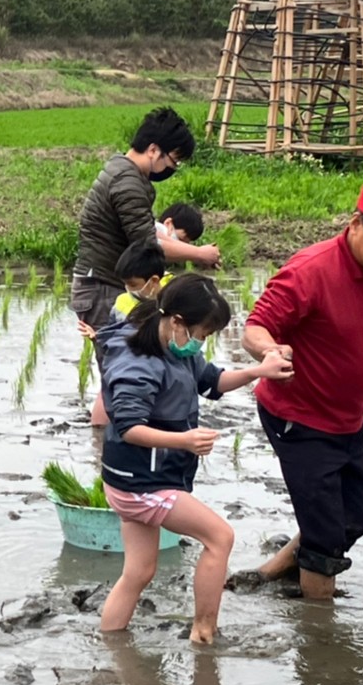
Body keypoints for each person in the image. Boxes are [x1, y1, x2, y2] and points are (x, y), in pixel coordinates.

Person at [239, 173, 363, 601]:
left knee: (356, 516)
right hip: (297, 414)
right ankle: (322, 638)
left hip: (347, 419)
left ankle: (275, 569)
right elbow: (257, 325)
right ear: (356, 224)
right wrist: (270, 352)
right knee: (326, 535)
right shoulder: (311, 271)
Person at [97, 275, 291, 643]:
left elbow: (211, 382)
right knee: (220, 537)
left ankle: (111, 648)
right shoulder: (138, 362)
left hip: (140, 477)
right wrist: (183, 440)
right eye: (201, 332)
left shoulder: (175, 345)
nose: (202, 342)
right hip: (140, 482)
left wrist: (257, 371)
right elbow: (128, 427)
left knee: (138, 572)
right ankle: (204, 632)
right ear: (176, 322)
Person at [72, 107, 214, 427]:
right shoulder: (127, 183)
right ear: (153, 150)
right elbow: (147, 245)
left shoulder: (123, 172)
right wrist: (198, 253)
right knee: (118, 372)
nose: (171, 169)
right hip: (103, 286)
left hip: (104, 283)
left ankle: (107, 445)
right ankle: (106, 448)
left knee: (118, 368)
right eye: (172, 161)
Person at [78, 240, 171, 342]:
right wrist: (98, 337)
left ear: (154, 280)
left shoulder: (176, 298)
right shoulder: (121, 302)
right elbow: (114, 336)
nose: (128, 288)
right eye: (125, 284)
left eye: (132, 284)